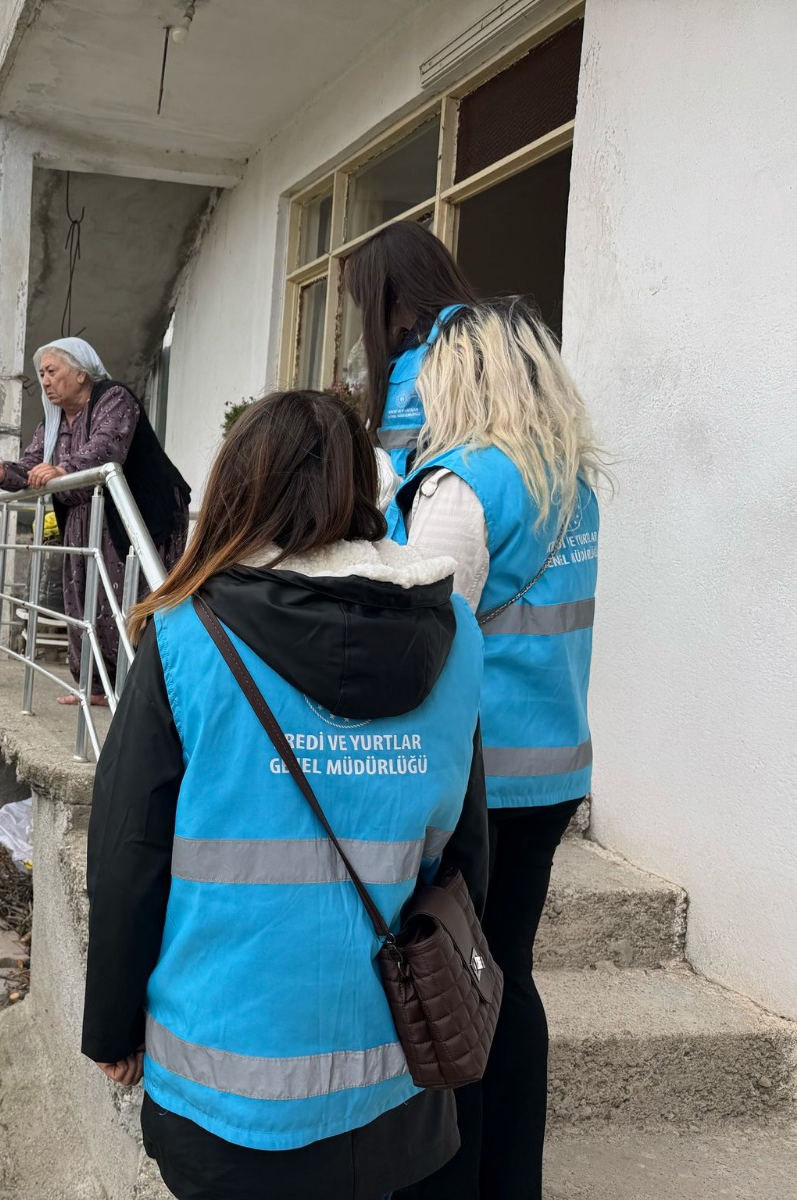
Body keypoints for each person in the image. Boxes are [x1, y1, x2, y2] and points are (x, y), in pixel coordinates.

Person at [82, 390, 489, 1200]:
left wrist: (112, 1025)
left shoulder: (188, 635)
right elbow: (469, 855)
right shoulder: (457, 636)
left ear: (238, 487)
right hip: (399, 1084)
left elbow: (128, 855)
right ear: (361, 490)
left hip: (222, 1097)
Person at [388, 300, 603, 1200]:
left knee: (450, 984)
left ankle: (452, 1177)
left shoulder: (463, 483)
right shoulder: (571, 482)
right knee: (505, 977)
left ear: (463, 374)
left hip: (475, 784)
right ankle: (512, 1182)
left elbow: (412, 635)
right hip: (555, 770)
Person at [0, 337, 190, 705]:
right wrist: (3, 472)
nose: (46, 381)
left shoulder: (115, 398)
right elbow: (33, 466)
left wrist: (63, 469)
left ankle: (141, 693)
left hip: (138, 513)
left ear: (82, 373)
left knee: (128, 599)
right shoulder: (52, 422)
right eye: (42, 375)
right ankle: (98, 686)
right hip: (86, 516)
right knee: (82, 600)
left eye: (52, 371)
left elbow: (105, 450)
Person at [344, 222, 479, 481]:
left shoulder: (460, 345)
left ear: (389, 293)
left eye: (365, 299)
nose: (366, 313)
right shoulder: (409, 352)